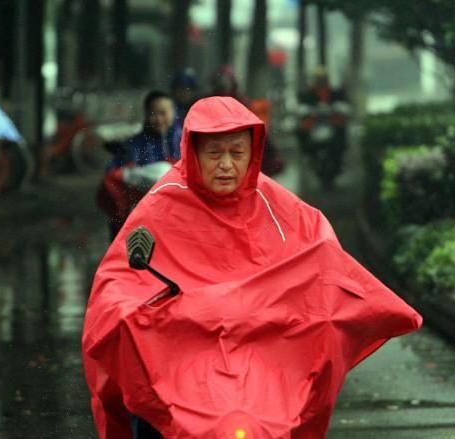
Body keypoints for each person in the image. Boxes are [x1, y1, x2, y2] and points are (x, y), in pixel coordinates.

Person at [83, 97, 422, 438]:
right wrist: (134, 313)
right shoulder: (163, 202)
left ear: (254, 152)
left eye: (237, 153)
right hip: (187, 346)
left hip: (262, 345)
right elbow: (118, 280)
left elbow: (322, 256)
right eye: (215, 153)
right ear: (193, 151)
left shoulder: (274, 203)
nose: (227, 165)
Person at [97, 90, 182, 239]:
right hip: (141, 221)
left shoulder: (184, 142)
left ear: (173, 112)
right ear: (146, 114)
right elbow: (112, 179)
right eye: (154, 113)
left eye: (164, 113)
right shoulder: (134, 146)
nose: (159, 119)